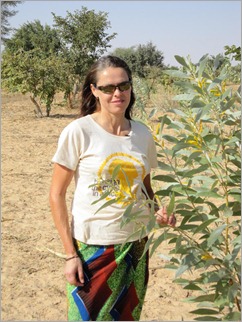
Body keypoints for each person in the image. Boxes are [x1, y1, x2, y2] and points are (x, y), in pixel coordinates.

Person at [49, 55, 176, 321]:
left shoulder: (142, 134)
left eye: (124, 85)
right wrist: (70, 254)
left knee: (127, 316)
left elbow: (145, 187)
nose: (117, 93)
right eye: (107, 88)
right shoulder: (79, 131)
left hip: (137, 245)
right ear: (94, 91)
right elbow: (56, 195)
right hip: (94, 247)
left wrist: (158, 212)